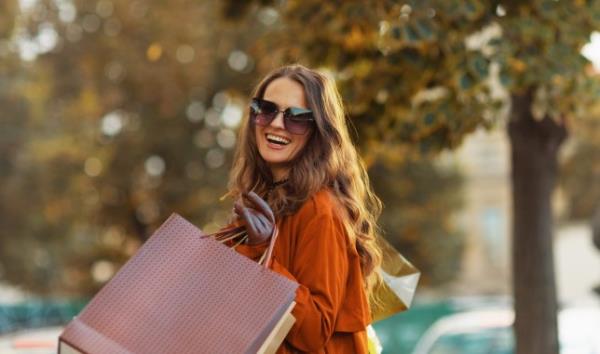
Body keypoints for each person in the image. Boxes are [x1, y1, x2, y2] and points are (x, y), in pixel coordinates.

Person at [221, 64, 383, 353]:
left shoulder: (320, 210)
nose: (277, 124)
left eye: (296, 118)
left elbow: (314, 331)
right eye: (266, 109)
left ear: (317, 132)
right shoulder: (263, 203)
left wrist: (263, 255)